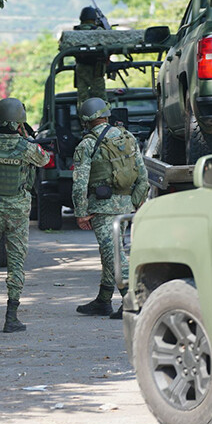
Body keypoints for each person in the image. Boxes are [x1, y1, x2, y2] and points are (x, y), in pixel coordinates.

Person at [0, 98, 49, 333]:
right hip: (16, 213)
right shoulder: (27, 148)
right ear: (19, 122)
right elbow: (44, 160)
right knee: (15, 264)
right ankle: (11, 318)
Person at [72, 98, 148, 319]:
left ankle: (131, 302)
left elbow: (79, 183)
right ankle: (103, 301)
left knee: (114, 254)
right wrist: (134, 202)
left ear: (86, 120)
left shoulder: (86, 144)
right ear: (106, 114)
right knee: (111, 251)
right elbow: (143, 176)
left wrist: (80, 212)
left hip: (102, 209)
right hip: (125, 206)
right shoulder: (128, 137)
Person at [74, 7, 108, 107]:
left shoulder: (76, 31)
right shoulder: (98, 31)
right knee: (101, 99)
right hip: (96, 69)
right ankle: (101, 120)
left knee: (83, 99)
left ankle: (84, 120)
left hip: (81, 68)